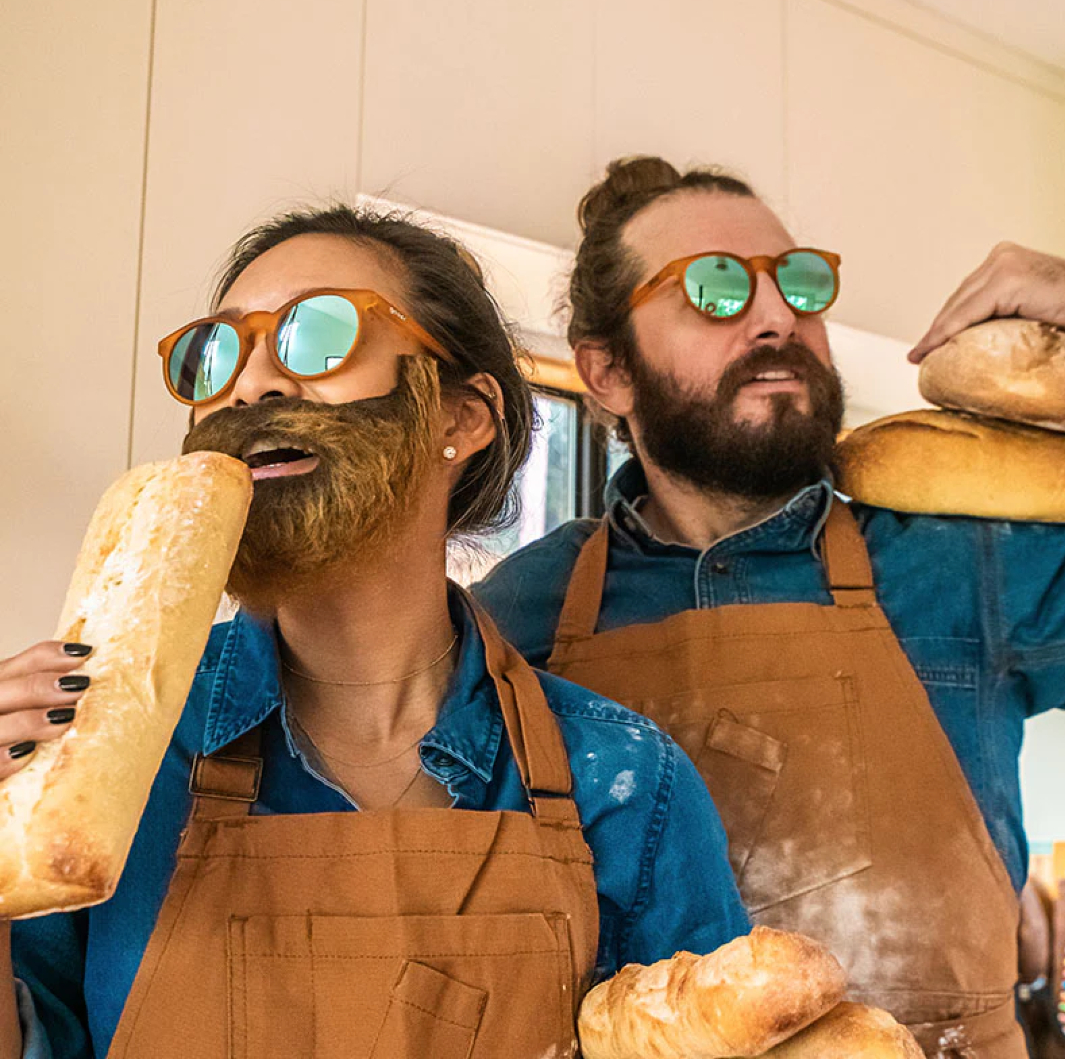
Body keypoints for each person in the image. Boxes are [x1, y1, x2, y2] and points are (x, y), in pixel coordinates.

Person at [0, 203, 752, 1059]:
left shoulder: (621, 782)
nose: (252, 386)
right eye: (218, 354)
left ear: (462, 418)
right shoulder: (100, 752)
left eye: (317, 334)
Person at [473, 155, 1065, 1058]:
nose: (776, 315)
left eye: (797, 281)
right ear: (605, 373)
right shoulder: (516, 618)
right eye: (715, 289)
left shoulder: (967, 561)